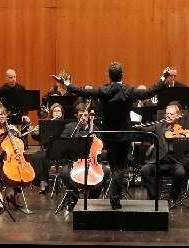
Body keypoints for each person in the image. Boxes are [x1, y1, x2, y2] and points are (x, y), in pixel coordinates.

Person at [61, 61, 168, 210]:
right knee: (120, 168)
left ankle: (115, 198)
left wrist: (66, 83)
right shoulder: (129, 91)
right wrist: (163, 78)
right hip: (124, 135)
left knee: (114, 167)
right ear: (122, 75)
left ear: (109, 76)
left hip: (109, 135)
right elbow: (150, 92)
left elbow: (82, 92)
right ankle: (115, 199)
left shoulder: (103, 91)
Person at [138, 103, 188, 205]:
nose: (169, 116)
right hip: (158, 162)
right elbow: (145, 130)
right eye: (167, 114)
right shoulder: (158, 126)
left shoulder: (182, 127)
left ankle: (173, 197)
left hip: (174, 162)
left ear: (178, 115)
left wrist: (183, 137)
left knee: (181, 173)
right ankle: (154, 198)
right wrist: (138, 127)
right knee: (144, 170)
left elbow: (188, 139)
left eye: (172, 114)